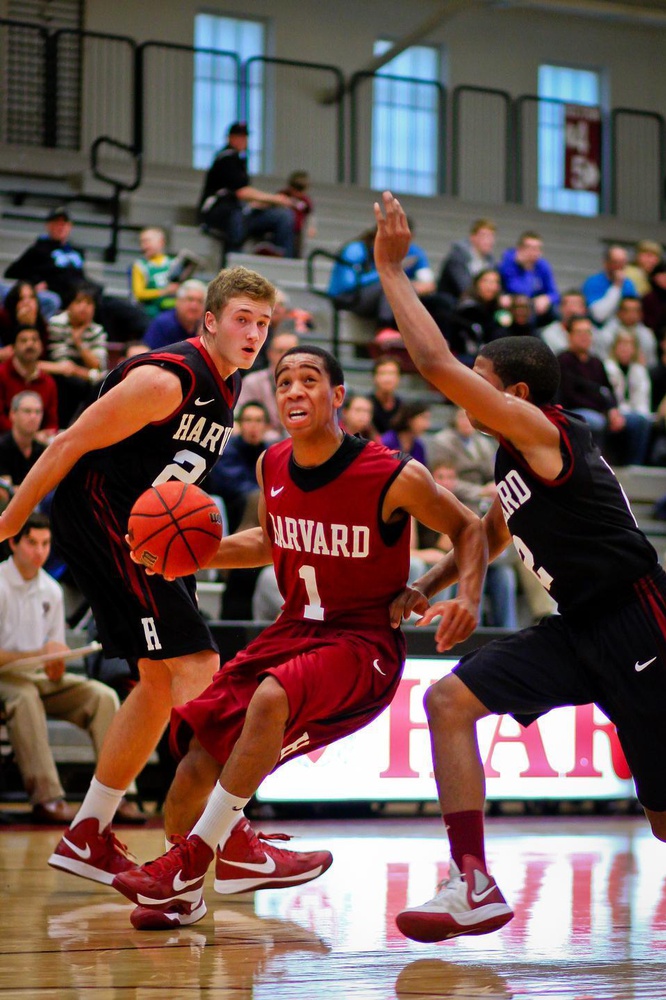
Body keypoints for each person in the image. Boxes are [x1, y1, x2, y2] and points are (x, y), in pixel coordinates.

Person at [373, 190, 666, 944]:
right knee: (448, 703)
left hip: (642, 620)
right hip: (581, 630)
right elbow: (486, 532)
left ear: (518, 394)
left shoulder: (541, 432)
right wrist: (429, 588)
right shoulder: (514, 461)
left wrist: (393, 272)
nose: (465, 389)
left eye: (482, 379)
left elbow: (433, 362)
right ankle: (472, 881)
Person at [110, 344, 486, 929]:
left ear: (338, 396)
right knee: (192, 765)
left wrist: (445, 589)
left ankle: (192, 861)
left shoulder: (392, 473)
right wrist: (187, 559)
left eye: (309, 380)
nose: (293, 391)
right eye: (283, 381)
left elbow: (469, 529)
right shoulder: (271, 464)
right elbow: (269, 540)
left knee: (270, 697)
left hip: (362, 645)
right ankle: (187, 894)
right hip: (293, 632)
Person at [0, 265, 317, 887]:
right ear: (209, 321)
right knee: (198, 664)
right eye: (241, 320)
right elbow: (65, 445)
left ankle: (87, 833)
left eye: (262, 323)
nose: (253, 333)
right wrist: (9, 520)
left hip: (152, 530)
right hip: (105, 517)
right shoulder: (166, 380)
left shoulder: (228, 388)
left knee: (154, 683)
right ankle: (222, 837)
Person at [0, 513, 142, 825]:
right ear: (13, 543)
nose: (40, 551)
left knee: (101, 696)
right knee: (24, 698)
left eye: (46, 544)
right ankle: (46, 798)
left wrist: (55, 664)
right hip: (5, 680)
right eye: (32, 543)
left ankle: (119, 794)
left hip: (38, 678)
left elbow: (53, 656)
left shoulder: (52, 589)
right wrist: (41, 653)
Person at [3, 206, 148, 342]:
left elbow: (80, 276)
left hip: (86, 292)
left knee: (124, 309)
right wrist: (34, 283)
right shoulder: (39, 249)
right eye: (56, 223)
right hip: (66, 296)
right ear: (48, 226)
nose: (61, 227)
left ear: (70, 227)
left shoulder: (76, 251)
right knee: (102, 309)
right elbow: (12, 272)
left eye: (64, 224)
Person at [557, 313, 649, 464]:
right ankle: (595, 466)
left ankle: (634, 466)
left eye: (588, 332)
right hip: (575, 412)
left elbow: (608, 390)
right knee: (596, 421)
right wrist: (603, 410)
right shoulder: (563, 361)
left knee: (640, 421)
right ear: (570, 336)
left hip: (601, 411)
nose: (584, 337)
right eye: (579, 332)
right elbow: (569, 395)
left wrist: (613, 410)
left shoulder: (596, 362)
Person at [198, 122, 296, 258]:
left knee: (283, 216)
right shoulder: (226, 158)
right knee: (237, 216)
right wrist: (276, 199)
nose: (243, 141)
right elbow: (241, 192)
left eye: (245, 137)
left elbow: (243, 197)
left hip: (240, 210)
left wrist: (263, 203)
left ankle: (279, 255)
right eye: (238, 136)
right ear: (229, 138)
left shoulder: (239, 161)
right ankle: (235, 264)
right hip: (219, 213)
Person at [327, 222, 438, 332]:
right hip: (346, 298)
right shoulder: (356, 249)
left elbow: (428, 282)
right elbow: (348, 284)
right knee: (389, 285)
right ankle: (383, 328)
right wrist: (385, 272)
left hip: (371, 298)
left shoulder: (413, 252)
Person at [43, 286, 109, 427]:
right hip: (59, 375)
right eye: (79, 302)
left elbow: (98, 365)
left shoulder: (97, 331)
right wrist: (89, 373)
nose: (83, 308)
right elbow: (62, 363)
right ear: (69, 306)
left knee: (100, 386)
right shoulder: (56, 324)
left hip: (82, 376)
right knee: (70, 383)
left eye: (89, 303)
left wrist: (78, 342)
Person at [205, 401, 270, 535]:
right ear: (239, 425)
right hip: (229, 507)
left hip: (257, 504)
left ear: (267, 427)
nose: (253, 426)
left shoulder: (270, 452)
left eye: (258, 421)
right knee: (257, 497)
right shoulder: (226, 449)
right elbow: (232, 486)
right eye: (248, 420)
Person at [235, 330, 299, 441]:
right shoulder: (252, 382)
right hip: (259, 442)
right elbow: (238, 420)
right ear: (270, 354)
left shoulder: (305, 386)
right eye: (280, 351)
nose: (284, 356)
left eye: (290, 352)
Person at [603, 329, 653, 465]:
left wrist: (640, 415)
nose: (625, 349)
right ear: (615, 348)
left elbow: (643, 399)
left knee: (643, 422)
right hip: (613, 413)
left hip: (634, 413)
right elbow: (608, 397)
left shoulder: (639, 370)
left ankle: (635, 465)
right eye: (622, 345)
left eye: (629, 345)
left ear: (634, 349)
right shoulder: (607, 368)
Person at [0, 327, 59, 440]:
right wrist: (28, 435)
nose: (30, 344)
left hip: (37, 445)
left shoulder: (48, 382)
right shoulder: (2, 375)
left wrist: (45, 435)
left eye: (34, 340)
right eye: (24, 340)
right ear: (13, 347)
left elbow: (52, 423)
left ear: (41, 346)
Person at [498, 231, 560, 327]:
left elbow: (555, 294)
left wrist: (547, 298)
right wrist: (524, 268)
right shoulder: (508, 263)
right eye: (530, 248)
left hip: (533, 308)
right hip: (511, 305)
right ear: (519, 249)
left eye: (537, 249)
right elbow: (520, 290)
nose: (534, 253)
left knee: (554, 312)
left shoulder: (543, 266)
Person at [447, 268, 508, 363]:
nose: (491, 286)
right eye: (486, 281)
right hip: (466, 359)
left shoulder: (497, 309)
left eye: (495, 282)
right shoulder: (468, 308)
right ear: (477, 284)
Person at [437, 218, 498, 304]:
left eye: (492, 236)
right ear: (473, 237)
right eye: (485, 236)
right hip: (452, 303)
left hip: (477, 302)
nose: (489, 241)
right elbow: (464, 287)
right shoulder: (457, 257)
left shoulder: (490, 261)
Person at [0, 391, 48, 489]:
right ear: (13, 414)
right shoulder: (2, 447)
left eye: (38, 412)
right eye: (27, 411)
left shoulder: (43, 450)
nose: (33, 417)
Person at [142, 279, 207, 350]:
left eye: (200, 301)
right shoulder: (163, 324)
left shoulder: (205, 327)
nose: (194, 306)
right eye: (190, 300)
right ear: (178, 302)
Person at [582, 245, 637, 327]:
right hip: (597, 327)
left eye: (623, 262)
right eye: (616, 262)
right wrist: (617, 286)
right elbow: (599, 316)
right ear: (606, 263)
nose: (620, 266)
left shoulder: (628, 284)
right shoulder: (593, 282)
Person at [130, 227, 180, 318]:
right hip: (149, 313)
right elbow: (138, 294)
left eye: (147, 242)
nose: (143, 246)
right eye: (141, 242)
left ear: (161, 242)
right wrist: (164, 292)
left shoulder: (174, 263)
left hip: (173, 312)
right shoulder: (140, 266)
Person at [597, 296, 658, 367]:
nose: (631, 315)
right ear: (619, 312)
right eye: (627, 310)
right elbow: (601, 360)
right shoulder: (606, 334)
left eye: (635, 311)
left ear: (641, 314)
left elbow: (652, 362)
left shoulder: (647, 335)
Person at [0, 281, 50, 359]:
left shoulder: (42, 323)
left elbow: (38, 356)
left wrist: (30, 326)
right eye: (21, 299)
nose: (27, 303)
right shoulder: (3, 318)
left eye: (31, 297)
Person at [278, 170, 316, 258]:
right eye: (295, 189)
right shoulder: (283, 195)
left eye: (301, 190)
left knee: (296, 248)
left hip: (297, 230)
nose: (297, 193)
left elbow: (310, 215)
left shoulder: (305, 201)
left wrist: (311, 227)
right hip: (285, 229)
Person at [380, 400, 431, 466]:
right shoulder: (387, 442)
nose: (427, 425)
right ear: (410, 418)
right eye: (423, 418)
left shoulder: (419, 447)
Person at [539, 288, 587, 355]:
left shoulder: (594, 334)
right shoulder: (548, 334)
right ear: (560, 308)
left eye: (577, 304)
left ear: (584, 309)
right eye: (568, 304)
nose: (572, 309)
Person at [368, 356, 403, 434]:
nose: (387, 379)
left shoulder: (401, 407)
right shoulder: (367, 404)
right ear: (374, 377)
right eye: (382, 373)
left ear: (398, 378)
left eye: (392, 373)